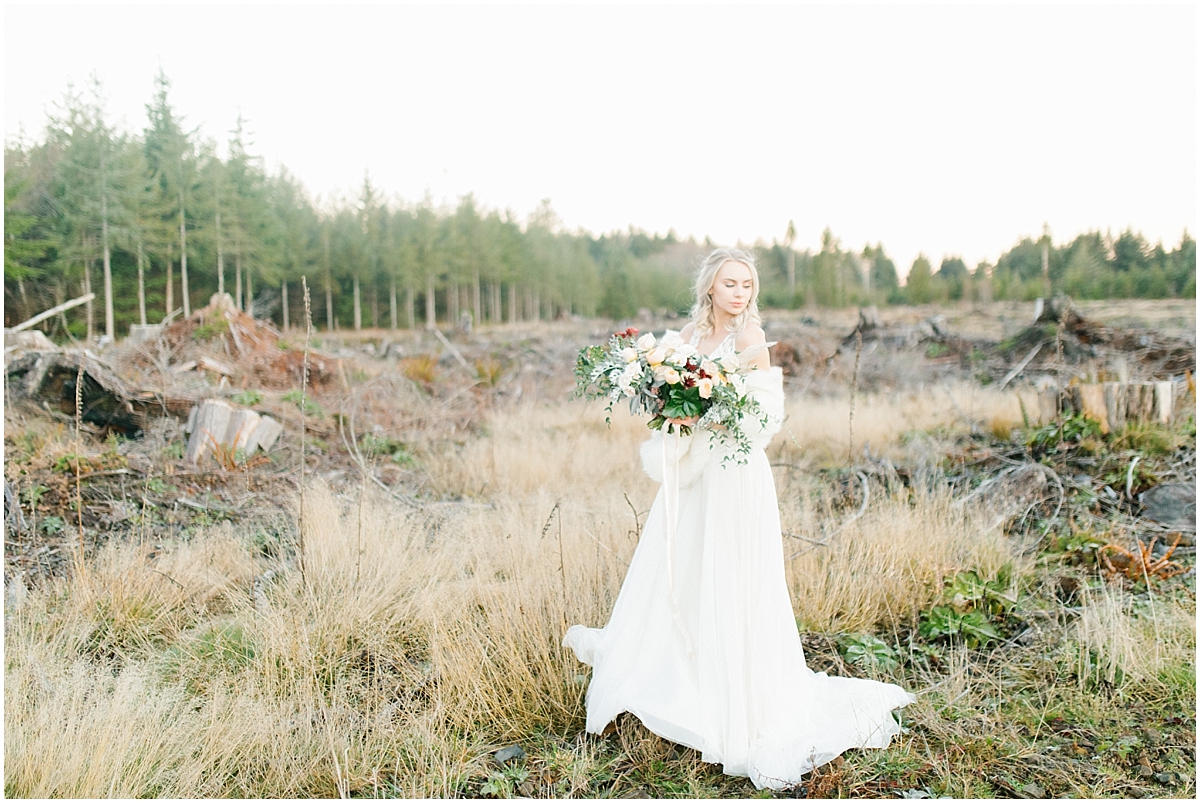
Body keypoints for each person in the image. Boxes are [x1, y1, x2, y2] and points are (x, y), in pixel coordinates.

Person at [563, 247, 915, 791]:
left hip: (734, 471)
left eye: (747, 285)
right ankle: (674, 674)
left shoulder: (751, 341)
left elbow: (764, 416)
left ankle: (734, 694)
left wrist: (709, 407)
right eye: (730, 283)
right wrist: (669, 405)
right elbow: (665, 396)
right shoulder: (682, 338)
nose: (739, 293)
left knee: (730, 572)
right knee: (679, 564)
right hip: (693, 472)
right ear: (710, 287)